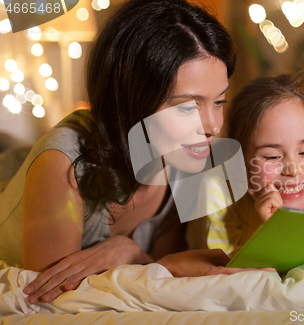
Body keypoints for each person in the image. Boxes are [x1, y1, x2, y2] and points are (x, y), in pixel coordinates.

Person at [0, 0, 251, 305]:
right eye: (187, 107)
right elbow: (51, 301)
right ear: (132, 102)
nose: (212, 126)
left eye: (219, 101)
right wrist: (144, 261)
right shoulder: (63, 164)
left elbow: (157, 276)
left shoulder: (186, 158)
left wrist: (131, 252)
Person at [187, 75, 304, 256]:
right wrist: (274, 233)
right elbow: (220, 276)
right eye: (273, 156)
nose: (294, 170)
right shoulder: (218, 194)